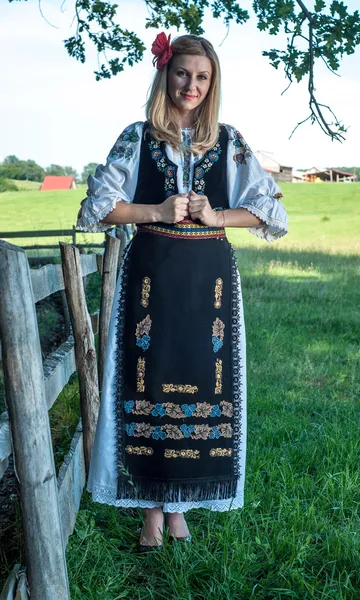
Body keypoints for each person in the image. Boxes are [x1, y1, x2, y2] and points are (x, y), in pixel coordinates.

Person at [76, 32, 288, 552]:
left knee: (203, 381)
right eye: (182, 73)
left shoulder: (230, 141)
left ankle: (180, 508)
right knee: (149, 383)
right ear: (165, 74)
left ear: (212, 83)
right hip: (150, 276)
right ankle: (151, 510)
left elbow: (268, 210)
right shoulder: (137, 136)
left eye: (202, 77)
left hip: (209, 283)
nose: (190, 85)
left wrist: (217, 215)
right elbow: (99, 207)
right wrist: (155, 210)